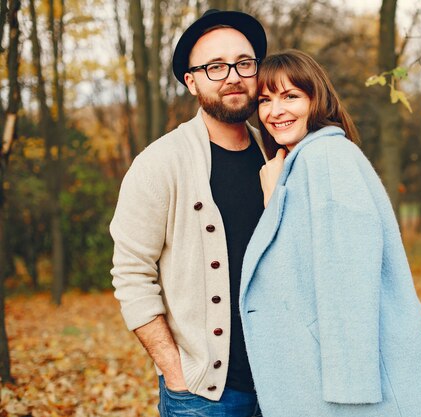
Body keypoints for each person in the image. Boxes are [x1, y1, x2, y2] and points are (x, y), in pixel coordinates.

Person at [239, 49, 421, 417]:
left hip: (350, 390)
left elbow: (347, 275)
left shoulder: (326, 159)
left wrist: (351, 393)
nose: (274, 111)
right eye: (265, 100)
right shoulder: (300, 164)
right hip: (324, 374)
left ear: (316, 99)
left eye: (290, 96)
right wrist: (274, 198)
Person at [110, 9, 268, 417]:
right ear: (192, 82)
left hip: (284, 385)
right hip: (204, 395)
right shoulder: (160, 165)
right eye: (215, 66)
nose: (232, 75)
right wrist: (175, 372)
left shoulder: (280, 154)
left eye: (244, 63)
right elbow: (131, 275)